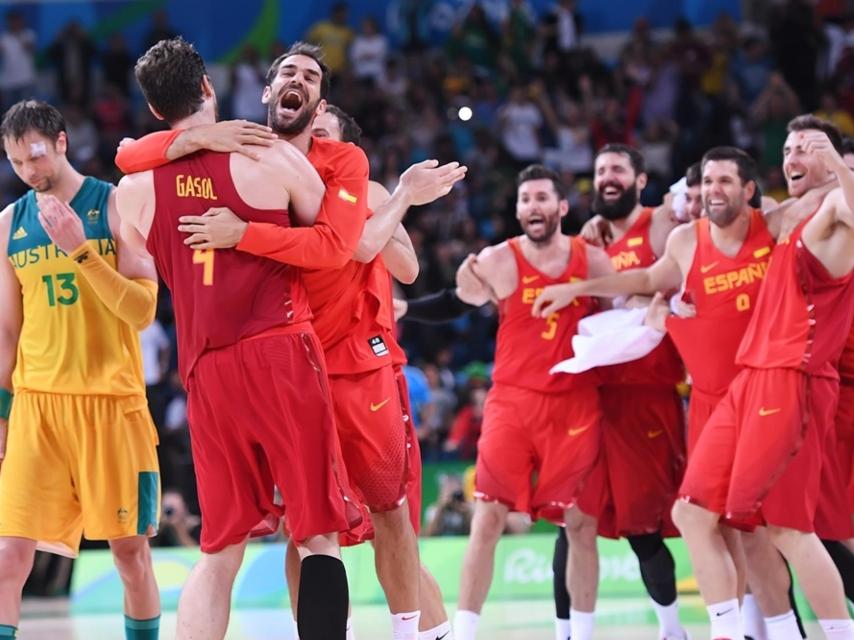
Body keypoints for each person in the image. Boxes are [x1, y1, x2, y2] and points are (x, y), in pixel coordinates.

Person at [115, 42, 466, 640]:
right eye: (287, 72)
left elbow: (131, 185)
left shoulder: (136, 189)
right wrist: (238, 207)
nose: (297, 83)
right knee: (315, 532)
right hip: (284, 353)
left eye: (310, 78)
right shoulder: (274, 159)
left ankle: (421, 632)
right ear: (220, 88)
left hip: (223, 364)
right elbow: (334, 244)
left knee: (226, 546)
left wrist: (395, 197)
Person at [671, 120, 854, 639]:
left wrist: (840, 166)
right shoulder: (786, 215)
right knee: (691, 513)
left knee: (788, 528)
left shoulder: (837, 209)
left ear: (832, 157)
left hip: (792, 377)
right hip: (750, 378)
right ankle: (727, 631)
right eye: (790, 147)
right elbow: (711, 208)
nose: (793, 154)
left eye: (807, 147)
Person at [0, 100, 161, 640]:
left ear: (63, 142)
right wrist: (2, 412)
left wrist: (82, 253)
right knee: (6, 559)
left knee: (131, 556)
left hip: (111, 406)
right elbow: (6, 333)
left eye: (37, 156)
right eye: (17, 162)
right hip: (37, 408)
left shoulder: (114, 205)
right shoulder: (8, 225)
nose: (29, 171)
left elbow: (143, 310)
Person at [451, 164, 614, 640]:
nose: (533, 208)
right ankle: (465, 633)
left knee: (581, 525)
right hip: (513, 404)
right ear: (518, 210)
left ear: (562, 207)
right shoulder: (502, 257)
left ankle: (581, 634)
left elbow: (625, 304)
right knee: (488, 519)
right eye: (525, 200)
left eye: (542, 198)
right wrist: (466, 273)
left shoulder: (592, 259)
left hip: (576, 405)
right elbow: (467, 293)